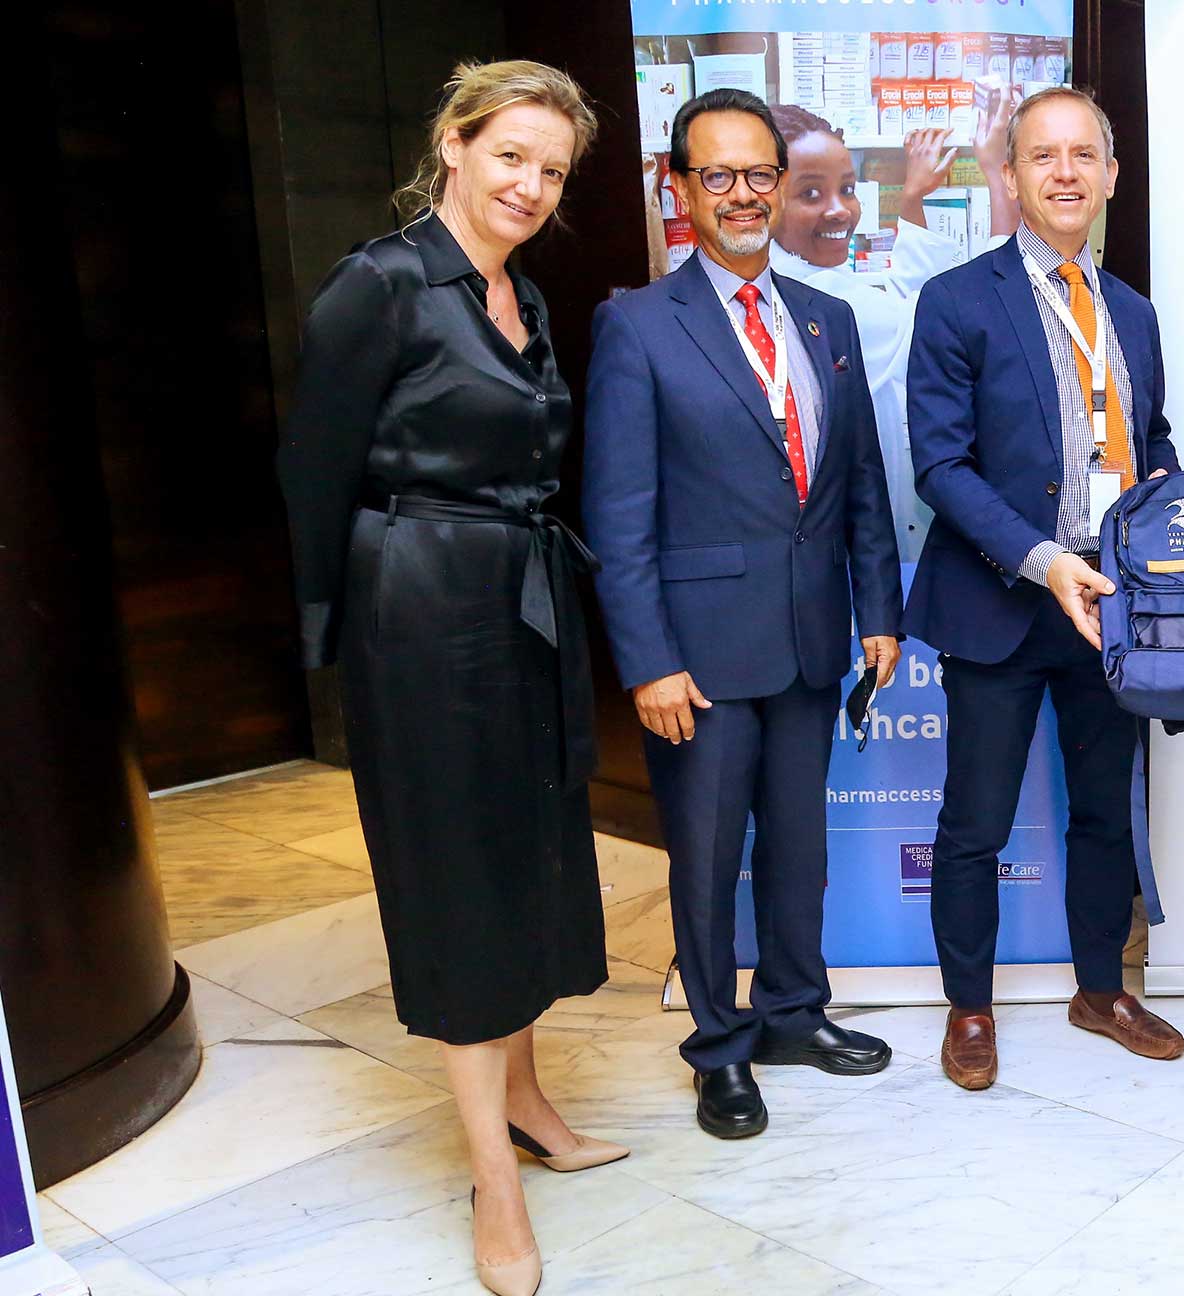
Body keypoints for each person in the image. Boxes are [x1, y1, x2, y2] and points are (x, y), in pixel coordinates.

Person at [276, 60, 621, 1296]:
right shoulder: (380, 285)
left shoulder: (517, 290)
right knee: (461, 883)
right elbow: (313, 475)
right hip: (417, 617)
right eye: (511, 156)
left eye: (552, 170)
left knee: (528, 855)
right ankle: (492, 1176)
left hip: (521, 607)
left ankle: (528, 1100)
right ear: (456, 145)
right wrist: (336, 650)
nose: (529, 185)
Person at [583, 88, 902, 1141]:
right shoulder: (637, 325)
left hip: (814, 643)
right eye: (715, 175)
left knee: (800, 850)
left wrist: (879, 615)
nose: (742, 194)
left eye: (758, 172)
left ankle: (794, 1016)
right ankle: (719, 1048)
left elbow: (857, 487)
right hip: (700, 659)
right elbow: (618, 515)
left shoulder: (828, 319)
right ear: (677, 188)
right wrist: (647, 661)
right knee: (709, 860)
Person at [906, 86, 1184, 1090]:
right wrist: (1043, 559)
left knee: (1105, 811)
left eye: (1084, 156)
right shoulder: (958, 300)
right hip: (999, 602)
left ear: (1111, 177)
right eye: (1043, 157)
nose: (1065, 173)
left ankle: (1100, 988)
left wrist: (1160, 497)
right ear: (1013, 177)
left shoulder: (1137, 314)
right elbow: (940, 466)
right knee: (974, 823)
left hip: (1107, 611)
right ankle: (970, 1008)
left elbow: (1148, 437)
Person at [766, 98, 1021, 560]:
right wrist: (997, 172)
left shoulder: (792, 278)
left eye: (847, 189)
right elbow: (979, 316)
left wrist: (911, 199)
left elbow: (908, 302)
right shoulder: (823, 301)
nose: (840, 210)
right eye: (810, 194)